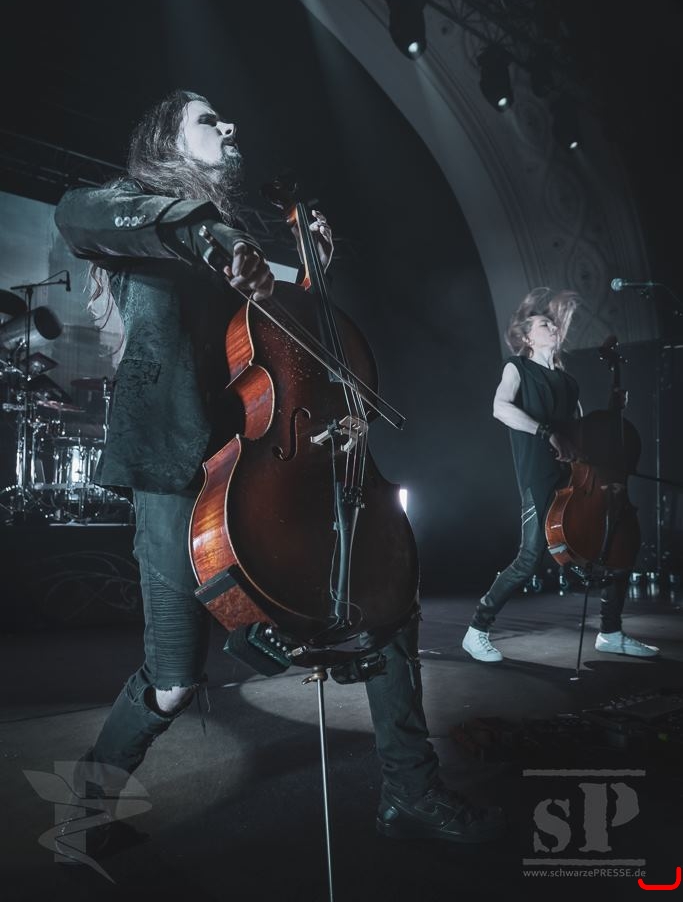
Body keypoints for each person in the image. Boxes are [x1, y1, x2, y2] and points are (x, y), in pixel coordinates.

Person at [54, 88, 504, 856]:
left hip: (262, 465)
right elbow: (75, 213)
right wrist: (214, 236)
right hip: (174, 468)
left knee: (383, 604)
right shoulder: (130, 213)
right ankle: (84, 814)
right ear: (165, 140)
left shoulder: (238, 250)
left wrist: (308, 280)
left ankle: (410, 787)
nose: (227, 124)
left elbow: (271, 355)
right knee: (172, 680)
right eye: (207, 119)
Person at [461, 287, 660, 663]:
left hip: (575, 478)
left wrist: (611, 409)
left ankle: (611, 632)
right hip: (538, 474)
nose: (552, 327)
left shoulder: (568, 382)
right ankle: (476, 630)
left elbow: (581, 432)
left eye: (553, 324)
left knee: (614, 542)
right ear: (526, 337)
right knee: (529, 558)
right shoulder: (517, 368)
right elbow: (500, 408)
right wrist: (545, 431)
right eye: (543, 324)